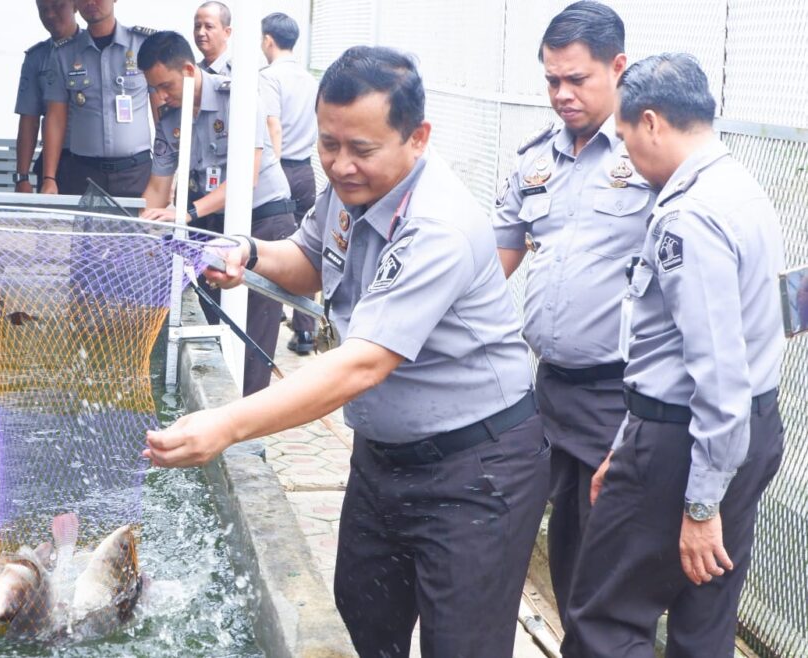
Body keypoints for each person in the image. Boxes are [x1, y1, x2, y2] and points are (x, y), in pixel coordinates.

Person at [145, 46, 549, 657]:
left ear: (418, 138)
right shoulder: (349, 191)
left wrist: (225, 425)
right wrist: (249, 253)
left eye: (361, 149)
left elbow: (361, 363)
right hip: (384, 460)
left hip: (476, 469)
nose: (340, 164)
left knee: (462, 645)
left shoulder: (436, 225)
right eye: (328, 145)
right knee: (363, 619)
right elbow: (308, 261)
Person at [560, 52, 786, 658]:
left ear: (652, 123)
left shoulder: (689, 216)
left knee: (604, 621)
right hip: (747, 429)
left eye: (628, 140)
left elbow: (713, 369)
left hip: (687, 441)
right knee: (704, 617)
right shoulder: (740, 187)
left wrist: (700, 502)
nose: (629, 160)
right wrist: (622, 444)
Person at [492, 1, 655, 622]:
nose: (561, 94)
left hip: (620, 395)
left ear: (618, 68)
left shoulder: (651, 154)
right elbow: (497, 257)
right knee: (562, 557)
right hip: (548, 391)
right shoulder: (536, 161)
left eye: (576, 80)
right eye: (551, 80)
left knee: (605, 570)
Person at [137, 31, 295, 397]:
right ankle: (219, 418)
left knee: (252, 337)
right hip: (214, 225)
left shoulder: (235, 98)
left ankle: (247, 436)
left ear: (189, 70)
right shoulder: (169, 119)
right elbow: (158, 186)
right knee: (213, 325)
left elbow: (246, 179)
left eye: (165, 86)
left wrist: (186, 213)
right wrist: (143, 230)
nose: (160, 97)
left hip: (264, 222)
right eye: (153, 90)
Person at [38, 0, 156, 197]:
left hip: (136, 173)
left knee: (136, 229)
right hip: (83, 173)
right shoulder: (63, 53)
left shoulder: (143, 45)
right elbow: (55, 119)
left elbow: (162, 113)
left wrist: (166, 176)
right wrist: (49, 178)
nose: (90, 2)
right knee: (84, 228)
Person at [259, 12, 318, 355]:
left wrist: (273, 172)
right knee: (305, 250)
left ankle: (270, 313)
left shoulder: (269, 77)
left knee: (274, 247)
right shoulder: (310, 80)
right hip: (305, 171)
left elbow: (272, 126)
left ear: (268, 40)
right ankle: (305, 331)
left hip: (280, 171)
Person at [12, 0, 80, 193]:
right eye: (43, 10)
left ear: (75, 6)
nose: (50, 15)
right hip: (56, 163)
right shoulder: (37, 57)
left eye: (58, 6)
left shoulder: (92, 49)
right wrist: (22, 177)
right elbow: (29, 120)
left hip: (93, 162)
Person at [194, 1, 232, 76]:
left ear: (227, 32)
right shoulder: (193, 73)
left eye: (209, 26)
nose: (200, 33)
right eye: (197, 26)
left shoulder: (239, 72)